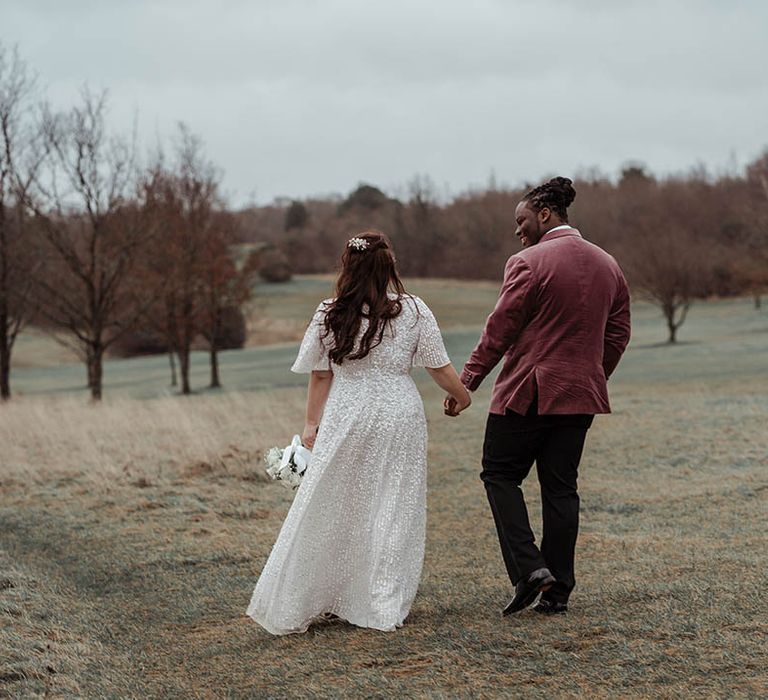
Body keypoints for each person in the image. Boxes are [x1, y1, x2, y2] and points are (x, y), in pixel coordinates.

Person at [247, 230, 471, 635]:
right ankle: (379, 601)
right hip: (398, 417)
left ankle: (321, 595)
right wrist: (463, 396)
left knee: (332, 502)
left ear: (347, 268)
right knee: (392, 503)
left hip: (346, 413)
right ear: (389, 269)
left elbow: (320, 374)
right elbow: (439, 367)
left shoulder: (329, 313)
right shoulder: (415, 311)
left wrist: (311, 425)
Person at [446, 177, 631, 616]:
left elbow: (499, 331)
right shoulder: (609, 264)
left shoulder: (527, 263)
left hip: (528, 394)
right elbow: (619, 334)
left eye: (521, 219)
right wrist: (589, 374)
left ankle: (531, 570)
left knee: (499, 474)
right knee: (561, 489)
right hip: (581, 395)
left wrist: (466, 381)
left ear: (545, 214)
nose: (517, 229)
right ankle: (559, 591)